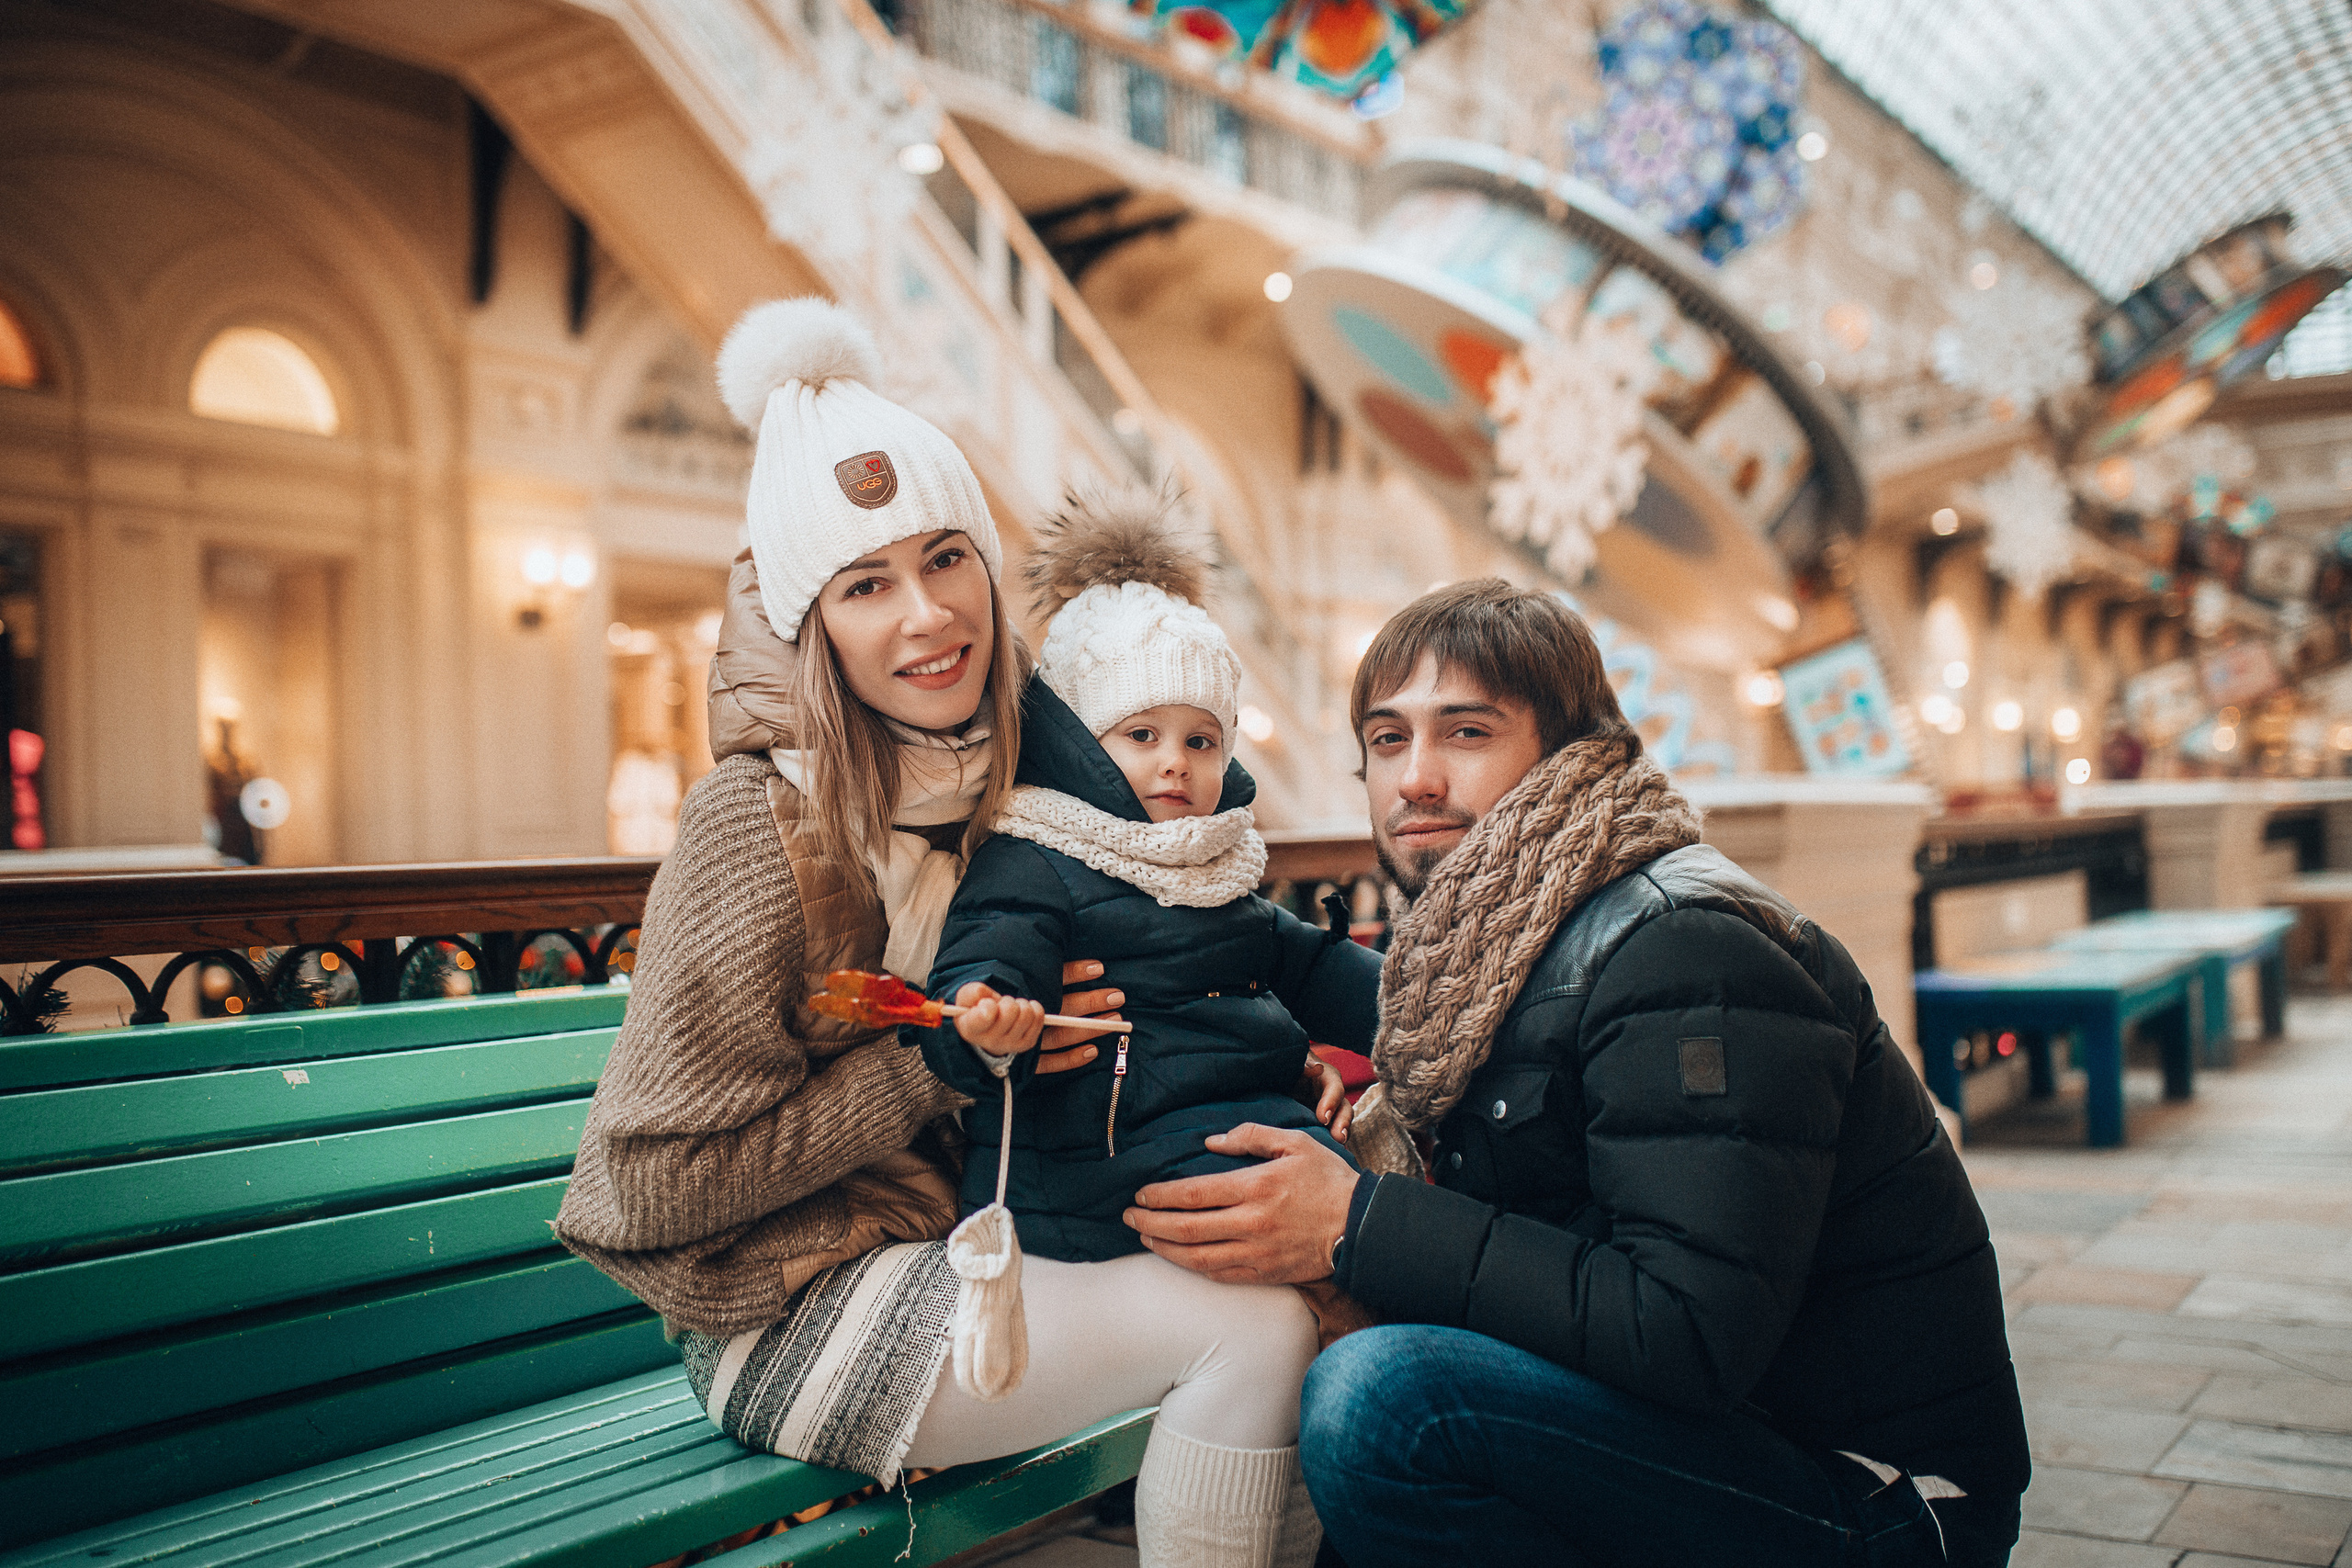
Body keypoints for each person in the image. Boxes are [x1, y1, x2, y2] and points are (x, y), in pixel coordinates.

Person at [552, 299, 1329, 1568]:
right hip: (788, 1308)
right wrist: (933, 1066)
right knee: (1247, 1334)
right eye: (868, 583)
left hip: (971, 1234)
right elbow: (640, 1192)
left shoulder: (1009, 779)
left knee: (1296, 1280)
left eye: (947, 557)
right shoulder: (758, 827)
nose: (927, 614)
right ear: (816, 626)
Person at [1124, 581, 2032, 1567]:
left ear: (1569, 755)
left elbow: (1689, 1334)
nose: (1415, 779)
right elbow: (1328, 982)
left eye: (1465, 732)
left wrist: (1356, 1222)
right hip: (1727, 1443)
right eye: (1387, 741)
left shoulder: (1685, 948)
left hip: (1879, 1496)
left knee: (1389, 1403)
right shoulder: (1489, 956)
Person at [914, 488, 1375, 1260]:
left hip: (1201, 1131)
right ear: (1080, 745)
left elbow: (1309, 961)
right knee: (1317, 1197)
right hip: (1092, 1173)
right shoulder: (1038, 856)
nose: (1175, 760)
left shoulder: (1212, 865)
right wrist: (985, 1013)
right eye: (1141, 733)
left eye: (1202, 740)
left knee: (1349, 1174)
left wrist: (1425, 1012)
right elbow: (992, 951)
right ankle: (1342, 1300)